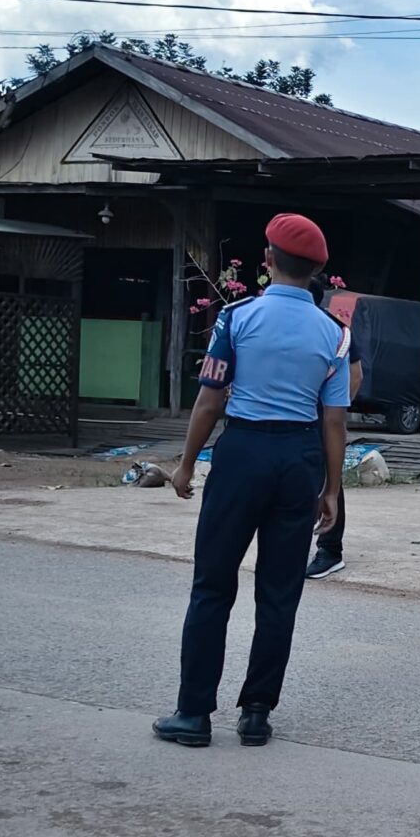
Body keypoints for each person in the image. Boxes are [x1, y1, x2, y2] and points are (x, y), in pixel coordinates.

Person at [153, 213, 350, 750]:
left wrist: (187, 463)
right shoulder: (334, 334)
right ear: (314, 272)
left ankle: (193, 714)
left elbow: (211, 398)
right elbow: (334, 420)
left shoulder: (236, 318)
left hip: (241, 453)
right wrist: (331, 488)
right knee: (279, 593)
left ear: (267, 262)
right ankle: (257, 712)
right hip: (299, 459)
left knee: (213, 586)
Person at [306, 276, 368, 580]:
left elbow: (355, 374)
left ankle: (329, 550)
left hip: (320, 413)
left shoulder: (332, 329)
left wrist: (336, 406)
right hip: (294, 416)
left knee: (329, 477)